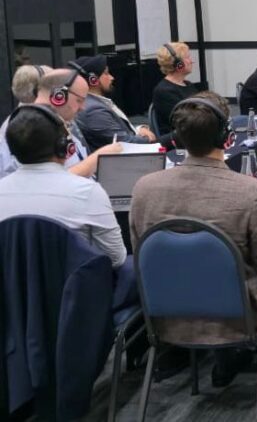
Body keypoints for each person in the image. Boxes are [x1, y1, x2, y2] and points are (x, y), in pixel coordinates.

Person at [129, 92, 257, 390]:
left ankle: (228, 360)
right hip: (243, 318)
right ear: (227, 136)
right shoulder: (252, 191)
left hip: (168, 318)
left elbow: (140, 256)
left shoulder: (144, 188)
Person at [0, 104, 136, 309]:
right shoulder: (88, 191)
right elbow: (116, 259)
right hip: (77, 309)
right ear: (64, 147)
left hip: (12, 307)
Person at [1, 69, 120, 179]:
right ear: (59, 96)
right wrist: (98, 158)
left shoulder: (59, 120)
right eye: (79, 100)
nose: (83, 108)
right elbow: (47, 182)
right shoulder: (28, 126)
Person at [73, 55, 157, 152]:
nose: (112, 77)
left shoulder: (96, 102)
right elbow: (124, 143)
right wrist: (148, 139)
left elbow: (118, 131)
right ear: (93, 80)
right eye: (106, 73)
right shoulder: (94, 111)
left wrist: (138, 129)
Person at [151, 42, 198, 135]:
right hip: (183, 138)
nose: (191, 61)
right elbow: (186, 121)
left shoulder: (187, 84)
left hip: (196, 133)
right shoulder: (164, 91)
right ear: (178, 64)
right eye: (187, 57)